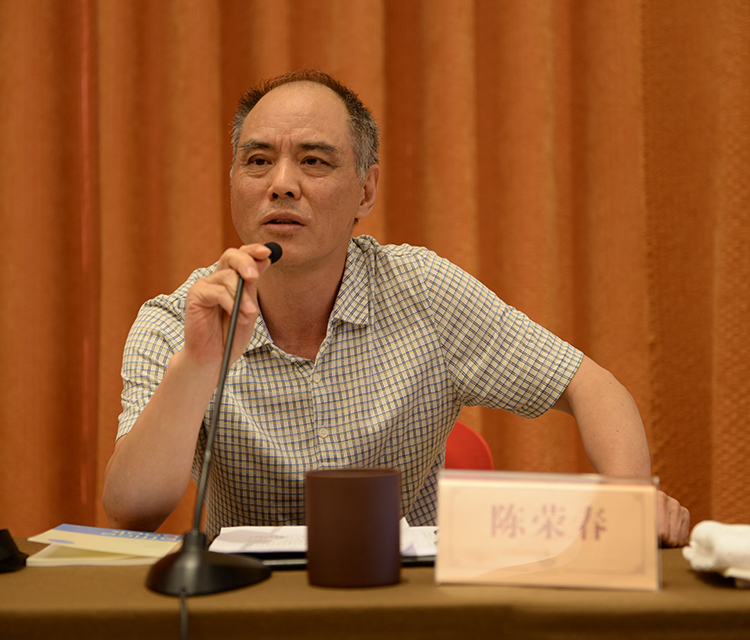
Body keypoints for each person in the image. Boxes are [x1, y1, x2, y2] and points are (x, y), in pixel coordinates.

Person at [102, 69, 690, 547]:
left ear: (366, 190)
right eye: (257, 161)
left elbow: (593, 387)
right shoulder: (177, 321)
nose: (281, 183)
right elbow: (132, 510)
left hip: (406, 603)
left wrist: (631, 503)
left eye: (314, 161)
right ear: (233, 181)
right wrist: (198, 364)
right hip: (249, 610)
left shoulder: (422, 292)